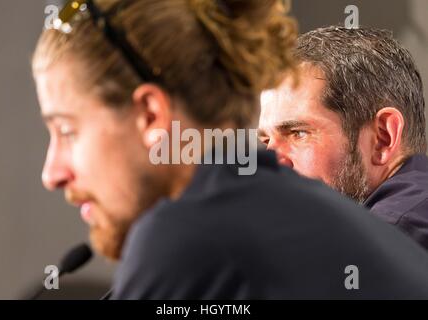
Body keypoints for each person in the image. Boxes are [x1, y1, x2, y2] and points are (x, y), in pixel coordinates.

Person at [33, 0, 428, 299]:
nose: (52, 173)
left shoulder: (188, 233)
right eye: (264, 139)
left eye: (67, 130)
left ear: (151, 114)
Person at [259, 26, 428, 250]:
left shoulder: (388, 238)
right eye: (266, 141)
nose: (270, 161)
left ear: (382, 137)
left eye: (297, 133)